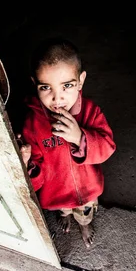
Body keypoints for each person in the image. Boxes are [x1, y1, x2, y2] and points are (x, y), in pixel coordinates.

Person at [18, 37, 116, 248]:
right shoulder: (33, 124)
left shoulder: (90, 112)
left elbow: (107, 147)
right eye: (46, 88)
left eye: (67, 86)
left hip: (87, 189)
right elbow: (37, 175)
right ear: (35, 84)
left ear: (80, 81)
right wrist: (27, 164)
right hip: (57, 192)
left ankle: (84, 225)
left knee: (84, 214)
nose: (57, 98)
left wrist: (80, 138)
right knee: (63, 209)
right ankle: (65, 216)